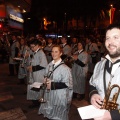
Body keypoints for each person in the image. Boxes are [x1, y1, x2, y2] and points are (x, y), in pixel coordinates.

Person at [89, 23, 120, 120]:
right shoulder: (99, 65)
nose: (110, 42)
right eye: (108, 38)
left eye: (116, 37)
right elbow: (92, 84)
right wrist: (93, 94)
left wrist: (114, 115)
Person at [38, 45, 73, 120]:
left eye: (56, 52)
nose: (53, 54)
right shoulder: (49, 65)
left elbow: (67, 84)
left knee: (59, 115)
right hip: (50, 94)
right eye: (52, 52)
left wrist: (52, 84)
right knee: (50, 112)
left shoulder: (65, 68)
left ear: (60, 53)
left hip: (59, 95)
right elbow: (46, 74)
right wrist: (45, 79)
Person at [27, 39, 48, 108]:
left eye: (33, 47)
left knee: (37, 89)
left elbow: (44, 65)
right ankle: (35, 102)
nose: (32, 48)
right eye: (31, 47)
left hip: (39, 74)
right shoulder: (35, 52)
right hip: (34, 74)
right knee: (34, 88)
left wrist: (33, 68)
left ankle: (38, 103)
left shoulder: (41, 53)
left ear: (38, 46)